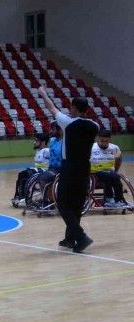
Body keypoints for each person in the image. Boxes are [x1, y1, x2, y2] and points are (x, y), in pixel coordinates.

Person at [38, 86, 99, 253]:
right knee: (76, 204)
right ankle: (70, 239)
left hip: (70, 166)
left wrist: (43, 93)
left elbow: (51, 107)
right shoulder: (95, 125)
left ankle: (81, 237)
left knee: (63, 204)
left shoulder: (68, 123)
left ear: (73, 108)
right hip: (84, 167)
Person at [90, 130, 126, 207]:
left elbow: (119, 158)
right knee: (108, 176)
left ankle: (119, 199)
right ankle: (109, 198)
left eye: (107, 141)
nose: (104, 143)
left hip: (109, 172)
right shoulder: (91, 148)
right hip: (95, 173)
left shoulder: (114, 148)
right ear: (98, 138)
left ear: (110, 139)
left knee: (116, 176)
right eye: (102, 141)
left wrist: (116, 170)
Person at [11, 132, 50, 204]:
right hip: (37, 170)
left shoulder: (47, 151)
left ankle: (23, 196)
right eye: (34, 140)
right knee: (21, 175)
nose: (34, 142)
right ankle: (19, 195)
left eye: (37, 141)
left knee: (23, 174)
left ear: (43, 142)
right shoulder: (38, 151)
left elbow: (54, 158)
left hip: (43, 171)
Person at [38, 121, 63, 194]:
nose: (50, 131)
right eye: (50, 129)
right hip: (51, 168)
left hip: (61, 169)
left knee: (43, 178)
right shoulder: (52, 140)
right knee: (39, 176)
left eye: (53, 129)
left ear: (60, 130)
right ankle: (47, 196)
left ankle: (47, 199)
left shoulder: (65, 142)